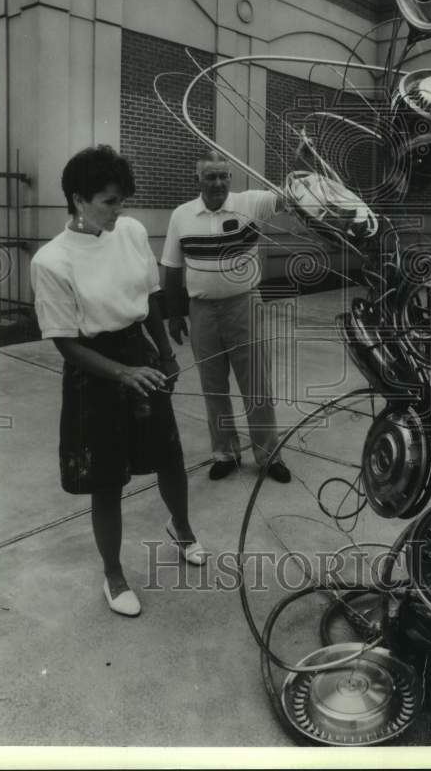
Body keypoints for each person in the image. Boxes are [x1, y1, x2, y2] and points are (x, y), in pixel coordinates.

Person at [30, 145, 206, 618]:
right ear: (78, 199)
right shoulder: (52, 261)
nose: (119, 210)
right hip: (95, 370)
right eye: (109, 201)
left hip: (139, 353)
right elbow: (66, 344)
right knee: (107, 481)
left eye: (122, 200)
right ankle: (113, 574)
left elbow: (150, 296)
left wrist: (164, 354)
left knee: (170, 458)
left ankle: (183, 530)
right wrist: (124, 373)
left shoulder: (127, 232)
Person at [161, 150, 291, 483]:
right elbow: (172, 269)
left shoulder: (252, 203)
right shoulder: (181, 215)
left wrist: (308, 167)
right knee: (213, 386)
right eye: (210, 176)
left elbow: (292, 195)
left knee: (256, 384)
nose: (218, 182)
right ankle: (225, 453)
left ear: (230, 178)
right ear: (198, 180)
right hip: (202, 310)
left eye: (223, 176)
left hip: (244, 305)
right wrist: (175, 315)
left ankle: (268, 455)